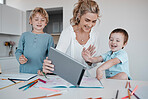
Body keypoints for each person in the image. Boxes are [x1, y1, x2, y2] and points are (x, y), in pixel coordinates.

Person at [42, 0, 100, 76]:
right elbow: (57, 59)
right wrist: (48, 65)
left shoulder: (94, 36)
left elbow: (94, 64)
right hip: (67, 78)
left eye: (94, 21)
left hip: (86, 79)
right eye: (87, 20)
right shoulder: (68, 32)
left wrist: (88, 61)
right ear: (79, 16)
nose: (90, 25)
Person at [15, 7, 54, 74]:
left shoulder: (49, 38)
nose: (39, 22)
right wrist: (19, 58)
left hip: (40, 72)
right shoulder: (24, 35)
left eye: (42, 20)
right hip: (24, 72)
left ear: (46, 23)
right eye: (36, 19)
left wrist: (45, 70)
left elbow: (50, 57)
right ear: (30, 21)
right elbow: (18, 51)